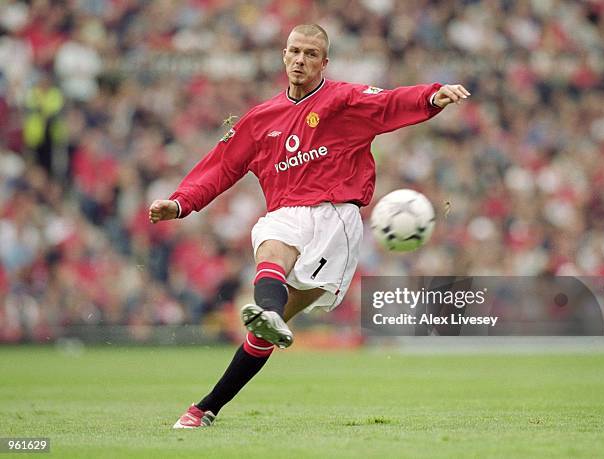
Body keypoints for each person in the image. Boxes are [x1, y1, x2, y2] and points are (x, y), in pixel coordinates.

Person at [148, 24, 470, 429]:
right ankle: (204, 408)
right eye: (294, 51)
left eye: (311, 54)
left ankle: (227, 378)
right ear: (284, 55)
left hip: (337, 218)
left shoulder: (344, 100)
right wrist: (180, 203)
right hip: (288, 212)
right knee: (270, 244)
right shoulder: (259, 119)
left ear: (324, 62)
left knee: (266, 330)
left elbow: (389, 104)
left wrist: (432, 95)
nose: (300, 60)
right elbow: (221, 167)